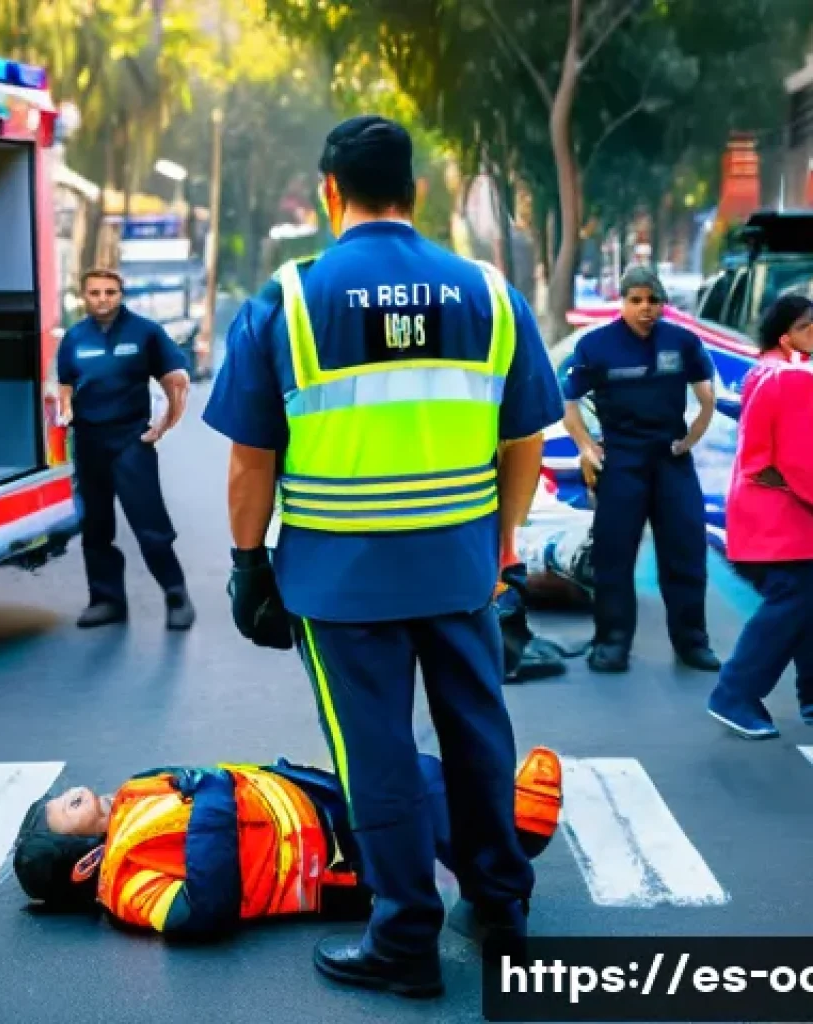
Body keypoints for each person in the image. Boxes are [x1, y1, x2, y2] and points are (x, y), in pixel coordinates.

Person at [201, 114, 565, 997]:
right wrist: (504, 543)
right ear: (416, 190)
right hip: (461, 569)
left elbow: (252, 459)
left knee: (378, 755)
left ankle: (404, 938)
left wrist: (249, 564)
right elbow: (525, 437)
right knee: (478, 735)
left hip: (340, 581)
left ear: (331, 191)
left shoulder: (289, 300)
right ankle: (501, 903)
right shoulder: (488, 294)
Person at [12, 747, 563, 982]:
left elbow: (208, 780)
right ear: (84, 862)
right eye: (70, 808)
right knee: (406, 799)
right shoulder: (126, 886)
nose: (79, 792)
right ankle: (510, 837)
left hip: (304, 798)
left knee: (408, 773)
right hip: (324, 862)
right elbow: (202, 911)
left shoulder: (132, 792)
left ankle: (500, 832)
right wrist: (214, 799)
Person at [561, 267, 720, 674]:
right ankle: (612, 643)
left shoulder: (682, 342)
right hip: (621, 461)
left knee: (685, 552)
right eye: (636, 300)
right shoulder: (596, 345)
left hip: (671, 461)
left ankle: (692, 643)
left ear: (663, 304)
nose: (645, 308)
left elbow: (707, 397)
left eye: (653, 300)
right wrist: (586, 447)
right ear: (623, 302)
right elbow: (568, 402)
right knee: (613, 555)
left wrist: (692, 438)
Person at [57, 268, 196, 630]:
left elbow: (177, 380)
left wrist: (164, 424)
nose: (102, 299)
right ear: (83, 296)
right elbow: (65, 385)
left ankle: (176, 595)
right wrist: (64, 413)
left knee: (150, 526)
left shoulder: (145, 332)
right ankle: (106, 601)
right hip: (88, 441)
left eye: (110, 292)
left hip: (131, 441)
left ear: (121, 295)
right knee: (95, 527)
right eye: (94, 293)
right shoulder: (74, 338)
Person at [708, 295, 813, 739]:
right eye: (808, 326)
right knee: (793, 601)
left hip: (764, 516)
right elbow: (800, 459)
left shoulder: (766, 371)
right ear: (786, 336)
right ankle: (734, 693)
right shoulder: (792, 378)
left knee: (803, 602)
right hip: (783, 522)